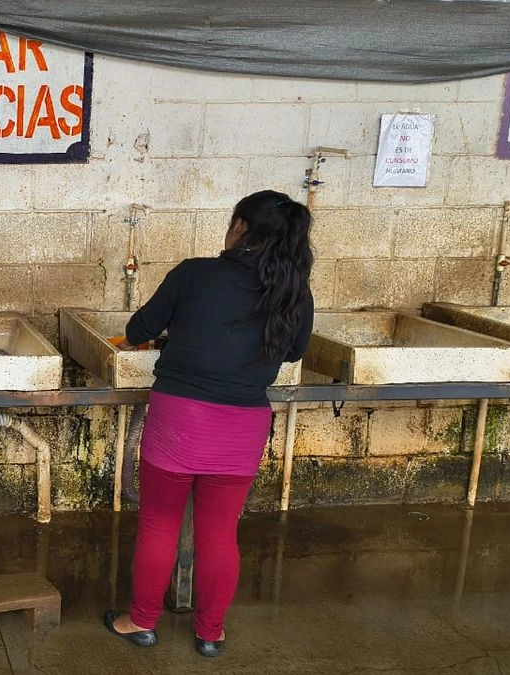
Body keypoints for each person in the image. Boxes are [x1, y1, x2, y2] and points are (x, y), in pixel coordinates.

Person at [103, 190, 314, 658]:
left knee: (160, 523)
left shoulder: (196, 272)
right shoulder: (294, 289)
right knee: (219, 533)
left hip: (181, 418)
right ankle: (210, 634)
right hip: (242, 427)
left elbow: (138, 331)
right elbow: (295, 350)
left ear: (240, 226)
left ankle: (139, 622)